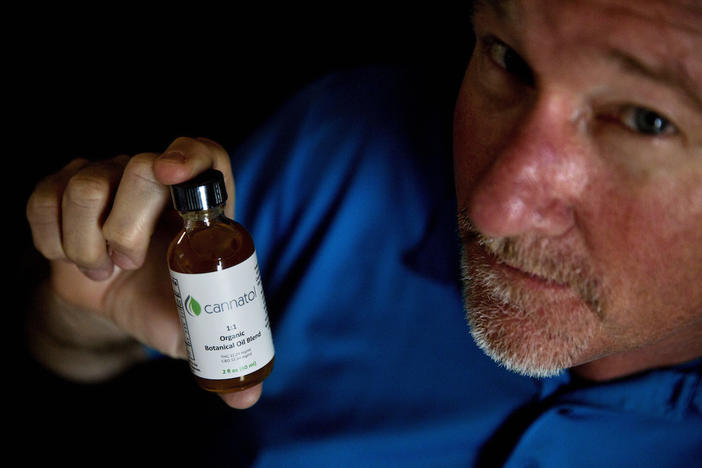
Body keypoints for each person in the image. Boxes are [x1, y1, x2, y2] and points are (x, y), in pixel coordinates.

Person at [23, 0, 701, 465]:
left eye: (645, 120)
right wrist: (89, 310)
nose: (493, 210)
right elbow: (63, 352)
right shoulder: (339, 148)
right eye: (508, 60)